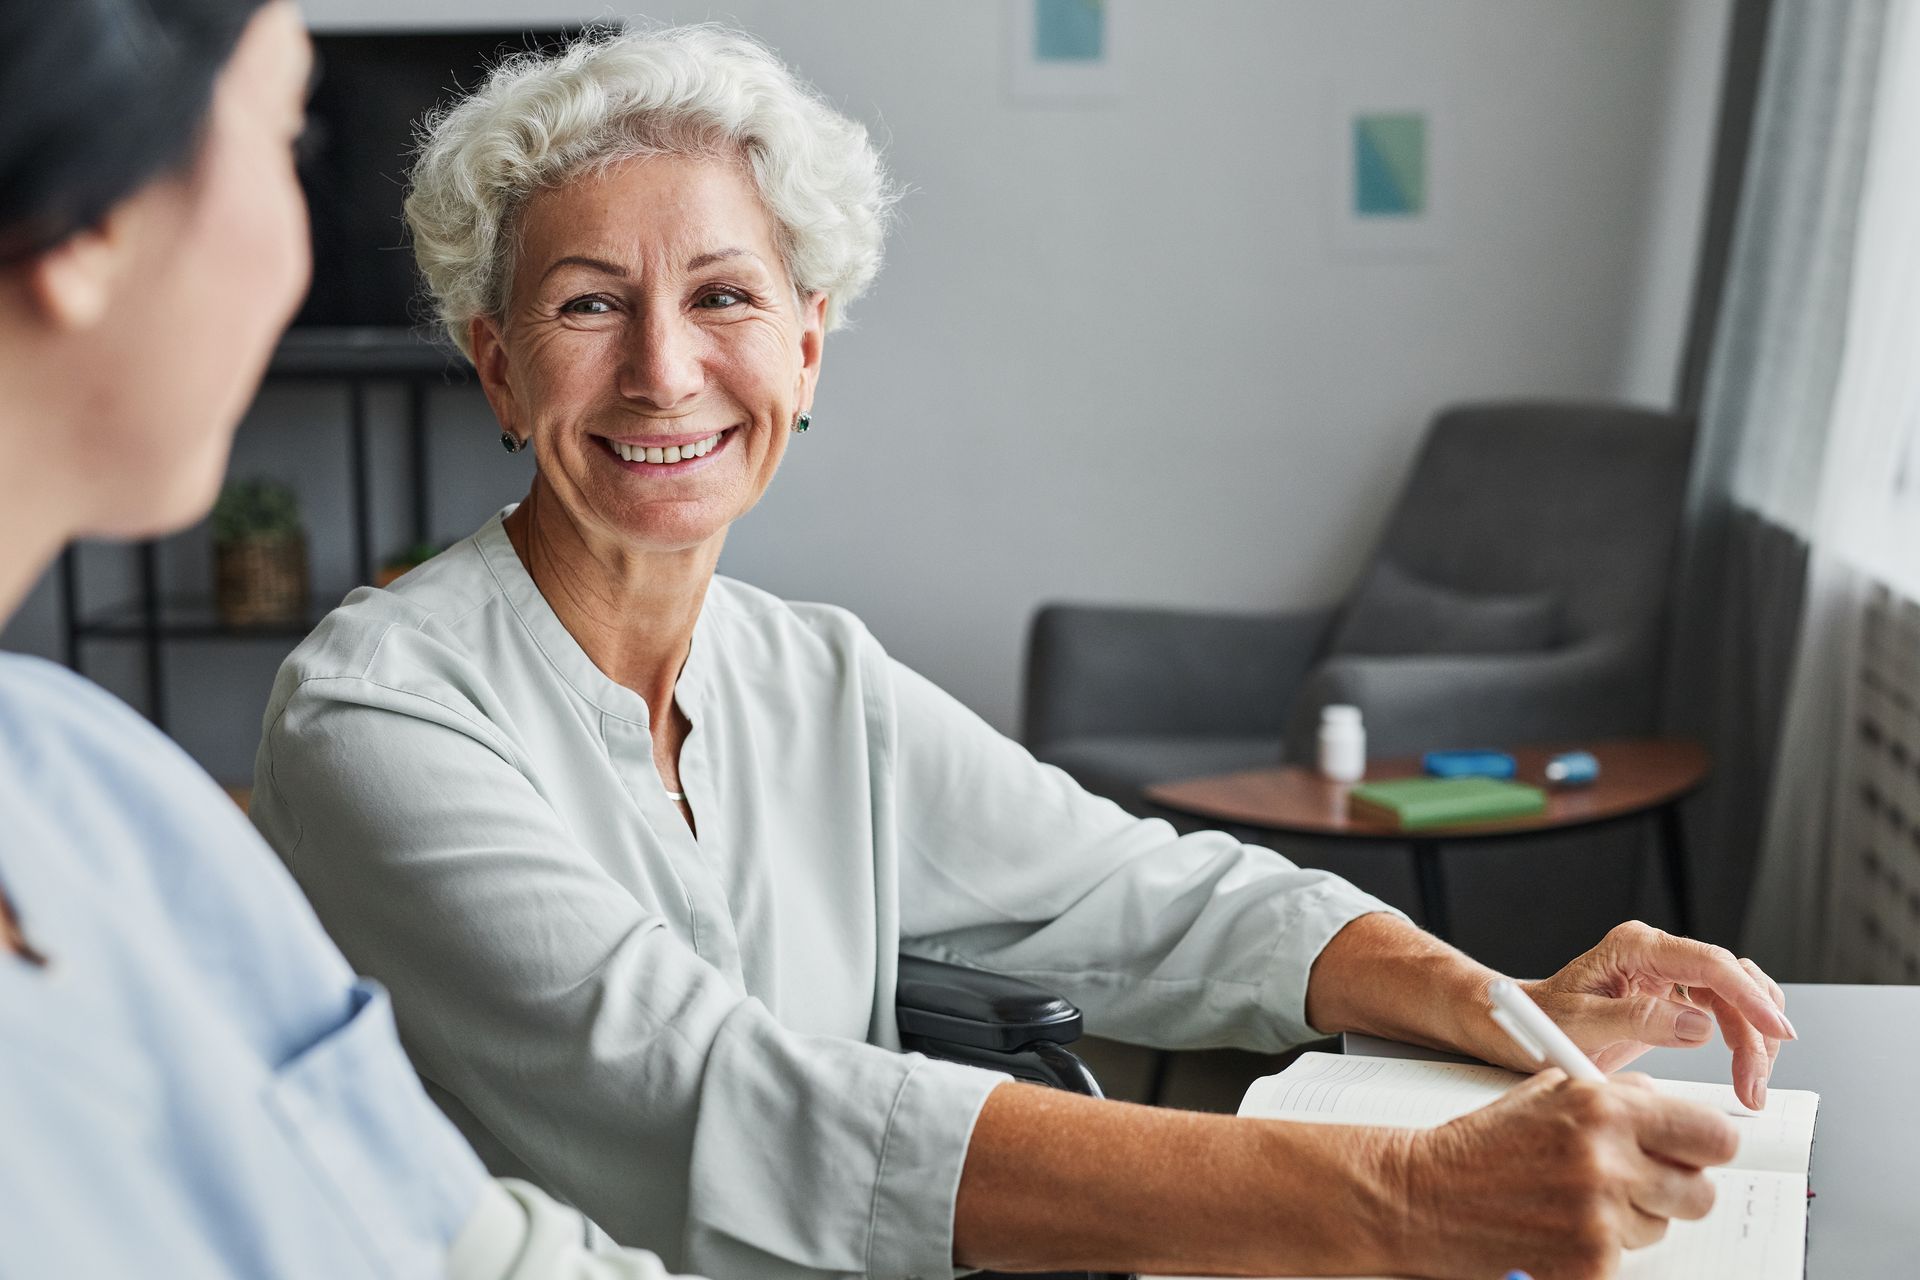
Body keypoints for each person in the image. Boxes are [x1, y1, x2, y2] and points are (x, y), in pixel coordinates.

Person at [249, 24, 1794, 1280]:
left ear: (805, 344)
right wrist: (1395, 1197)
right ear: (500, 369)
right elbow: (717, 1098)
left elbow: (1150, 895)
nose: (664, 371)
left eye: (724, 296)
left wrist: (1507, 998)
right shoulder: (375, 714)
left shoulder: (817, 678)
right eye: (591, 305)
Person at [0, 2, 711, 1275]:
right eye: (289, 134)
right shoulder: (365, 703)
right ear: (89, 222)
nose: (665, 372)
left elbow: (460, 1244)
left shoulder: (95, 787)